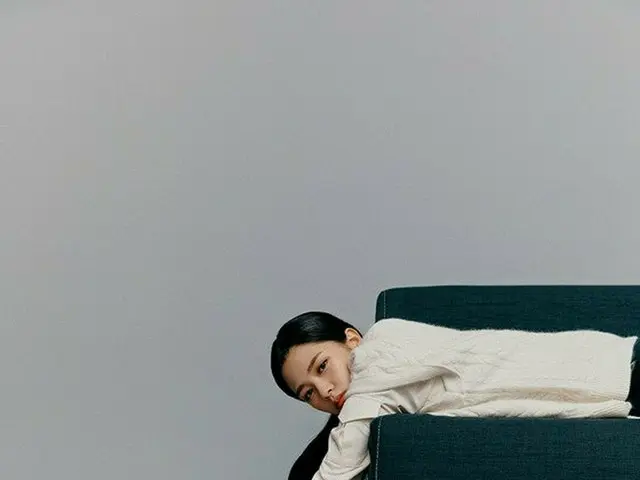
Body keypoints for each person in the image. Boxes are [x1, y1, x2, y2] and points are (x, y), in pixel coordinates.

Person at [271, 311, 640, 480]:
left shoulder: (378, 356)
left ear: (352, 339)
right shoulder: (377, 389)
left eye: (322, 366)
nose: (325, 391)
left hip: (619, 372)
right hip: (610, 370)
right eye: (308, 393)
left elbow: (339, 467)